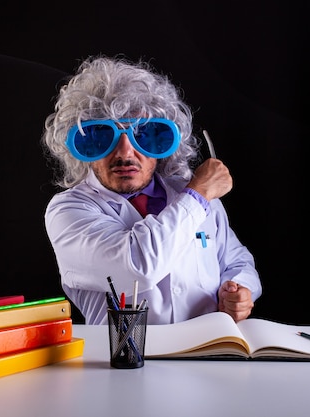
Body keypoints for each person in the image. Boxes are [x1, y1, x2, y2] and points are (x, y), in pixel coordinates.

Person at [41, 55, 261, 325]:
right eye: (102, 136)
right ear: (83, 148)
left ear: (163, 142)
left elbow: (236, 259)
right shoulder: (68, 211)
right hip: (122, 363)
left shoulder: (193, 195)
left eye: (142, 135)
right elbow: (138, 268)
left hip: (210, 354)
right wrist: (198, 195)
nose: (125, 153)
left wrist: (239, 289)